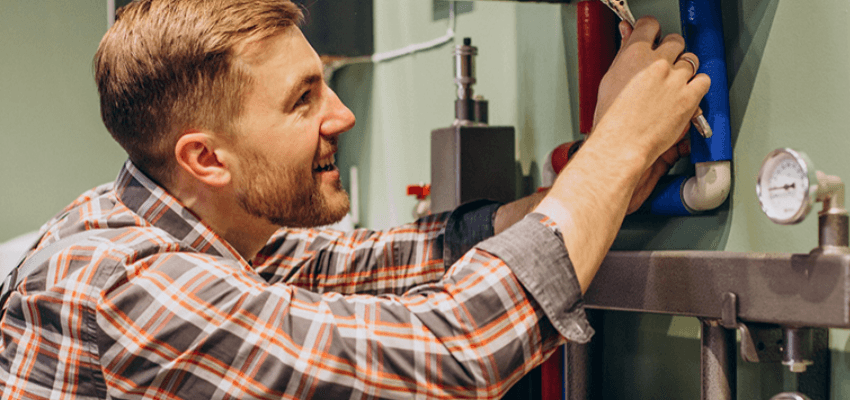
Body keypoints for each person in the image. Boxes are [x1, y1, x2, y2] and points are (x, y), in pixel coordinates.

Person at [0, 0, 708, 398]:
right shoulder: (134, 284)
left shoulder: (171, 221)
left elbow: (371, 262)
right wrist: (618, 148)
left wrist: (585, 187)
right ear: (205, 157)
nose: (341, 115)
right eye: (303, 100)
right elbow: (457, 348)